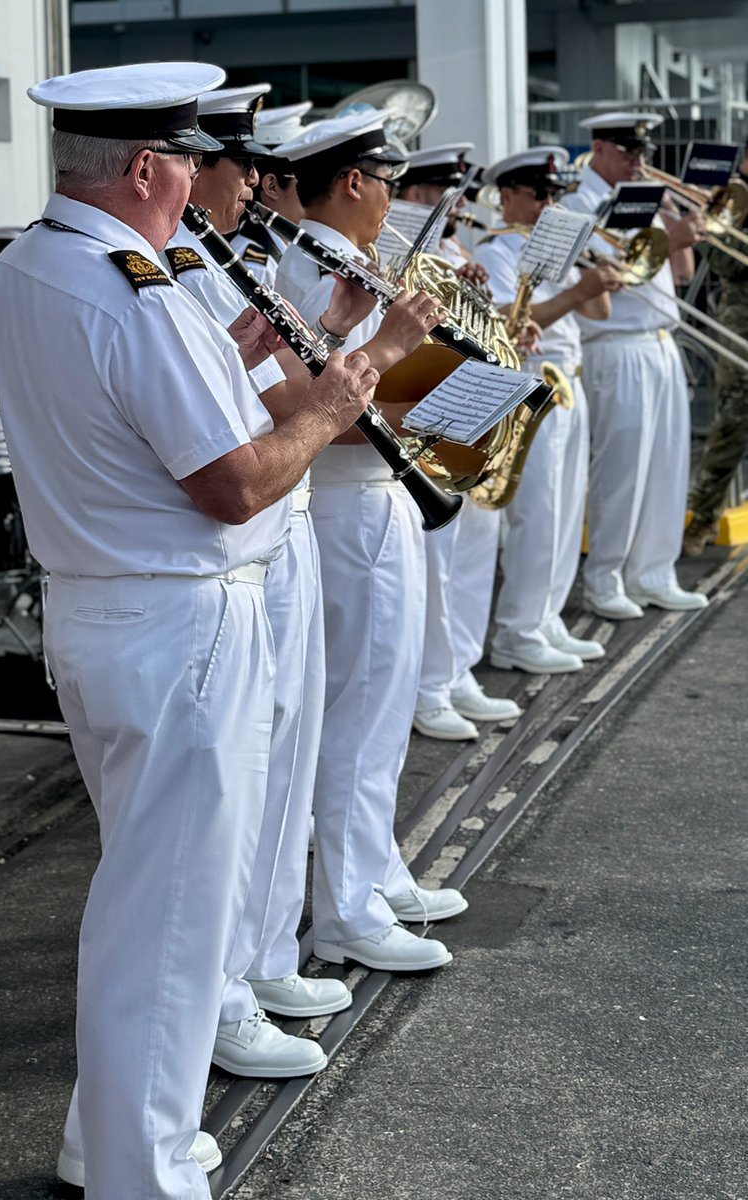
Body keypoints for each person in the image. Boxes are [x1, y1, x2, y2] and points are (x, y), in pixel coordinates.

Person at [0, 62, 379, 1200]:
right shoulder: (138, 288)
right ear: (149, 167)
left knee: (146, 895)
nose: (205, 181)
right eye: (189, 163)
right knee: (169, 922)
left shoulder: (32, 263)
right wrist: (335, 405)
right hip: (177, 625)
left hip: (107, 612)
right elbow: (237, 484)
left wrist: (253, 354)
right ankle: (142, 1170)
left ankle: (99, 1133)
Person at [166, 84, 374, 1079]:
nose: (254, 179)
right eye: (236, 162)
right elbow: (253, 415)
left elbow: (254, 379)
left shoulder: (223, 260)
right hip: (241, 536)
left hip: (282, 525)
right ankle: (231, 989)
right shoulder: (170, 268)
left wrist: (312, 331)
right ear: (184, 167)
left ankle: (265, 953)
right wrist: (342, 370)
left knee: (286, 759)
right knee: (243, 783)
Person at [275, 110, 468, 971]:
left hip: (381, 501)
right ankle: (346, 908)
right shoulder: (308, 265)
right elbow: (326, 410)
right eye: (385, 178)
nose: (393, 194)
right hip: (344, 507)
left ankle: (376, 870)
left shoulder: (351, 261)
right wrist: (433, 400)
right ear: (351, 181)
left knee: (385, 703)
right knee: (353, 709)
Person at [389, 144, 520, 737]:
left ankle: (456, 669)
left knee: (467, 559)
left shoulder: (456, 252)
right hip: (420, 425)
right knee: (435, 570)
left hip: (461, 413)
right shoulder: (394, 254)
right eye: (441, 193)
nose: (457, 206)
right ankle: (430, 685)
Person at [476, 147, 620, 674]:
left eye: (556, 195)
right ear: (509, 196)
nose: (548, 205)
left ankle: (545, 616)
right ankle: (518, 629)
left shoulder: (551, 246)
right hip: (533, 384)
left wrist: (593, 274)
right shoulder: (498, 250)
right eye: (540, 195)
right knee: (536, 514)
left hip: (568, 387)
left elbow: (599, 307)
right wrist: (578, 288)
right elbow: (509, 318)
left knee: (563, 512)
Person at [562, 112, 708, 617]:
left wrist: (676, 222)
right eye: (628, 151)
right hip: (616, 345)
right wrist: (670, 234)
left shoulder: (643, 198)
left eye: (642, 153)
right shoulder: (578, 204)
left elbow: (682, 273)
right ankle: (605, 578)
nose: (638, 162)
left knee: (667, 463)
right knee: (621, 470)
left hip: (662, 339)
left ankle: (654, 572)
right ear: (599, 147)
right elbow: (613, 276)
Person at [685, 144, 748, 554]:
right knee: (735, 415)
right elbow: (725, 264)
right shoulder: (730, 194)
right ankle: (702, 518)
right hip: (741, 313)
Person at [230, 100, 314, 286]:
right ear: (272, 186)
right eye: (308, 182)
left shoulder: (287, 245)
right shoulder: (257, 265)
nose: (316, 192)